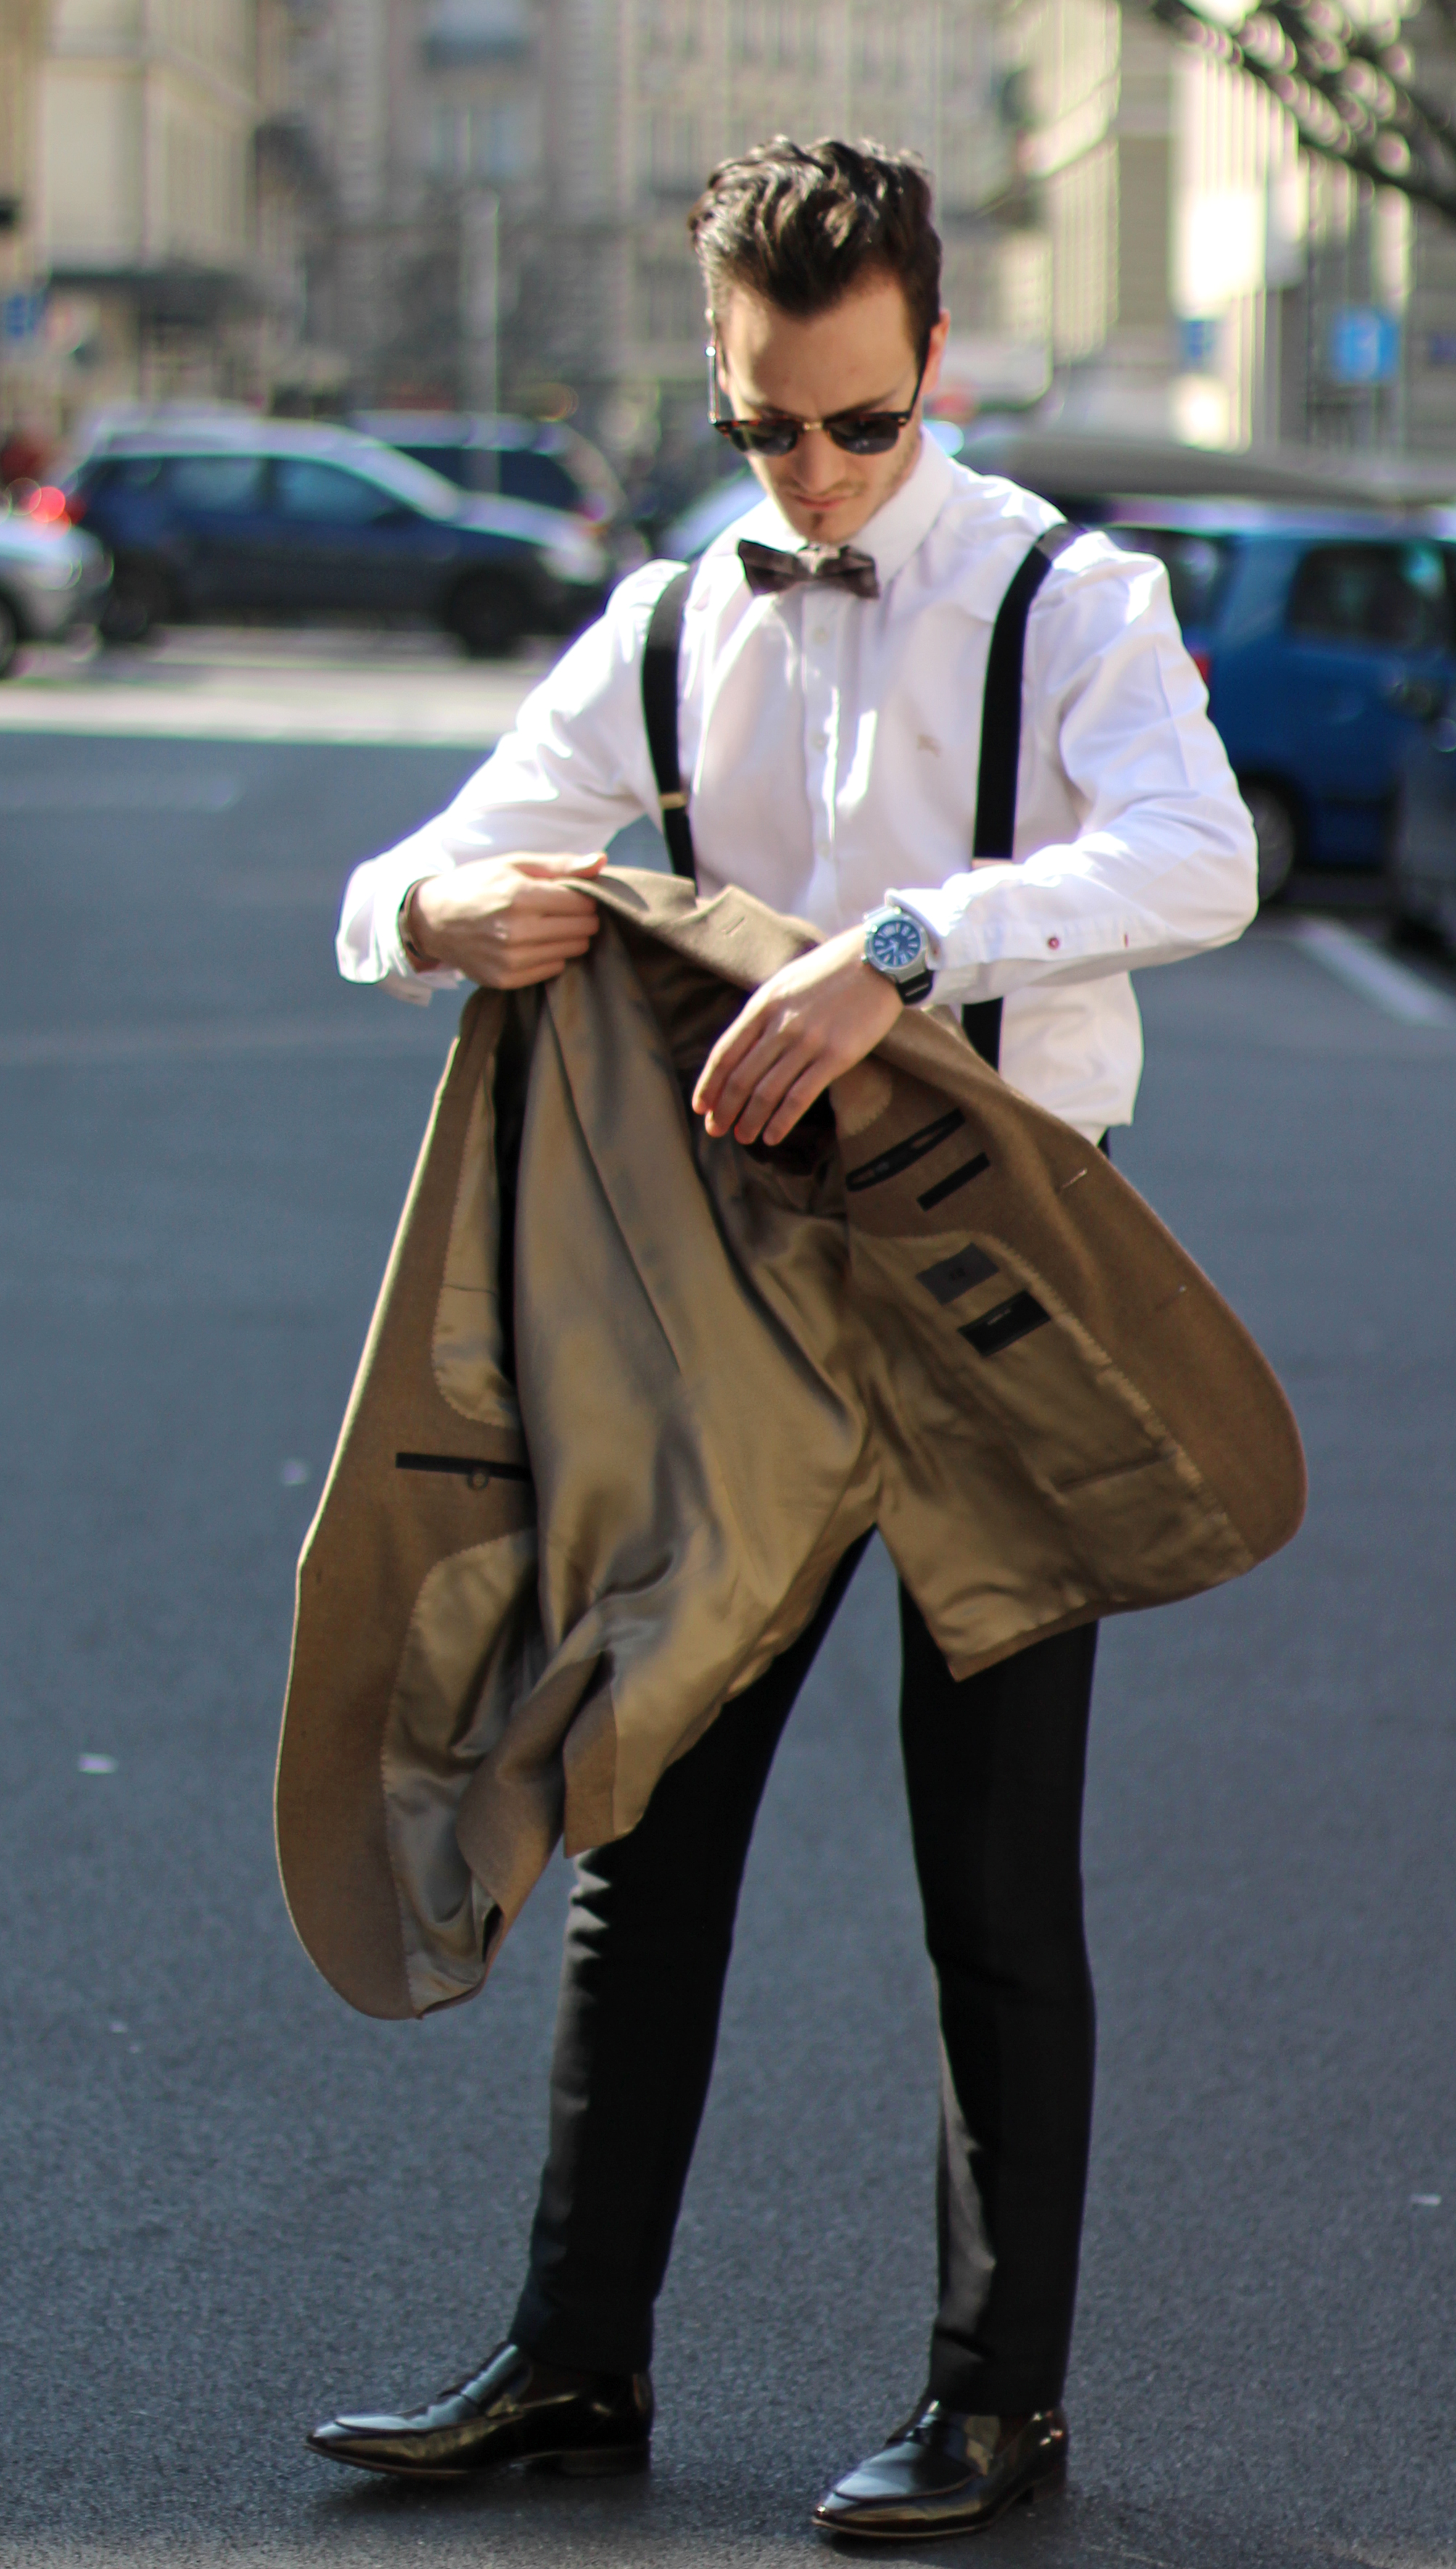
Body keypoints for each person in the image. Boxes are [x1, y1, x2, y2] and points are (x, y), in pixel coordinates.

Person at [310, 135, 1257, 2540]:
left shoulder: (1067, 593)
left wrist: (902, 951)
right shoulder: (667, 617)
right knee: (644, 1828)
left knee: (992, 1871)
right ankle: (573, 2362)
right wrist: (455, 913)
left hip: (1000, 1291)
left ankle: (996, 2402)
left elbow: (1202, 856)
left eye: (854, 420)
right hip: (731, 1300)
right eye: (760, 426)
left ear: (932, 355)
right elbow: (392, 880)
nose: (812, 469)